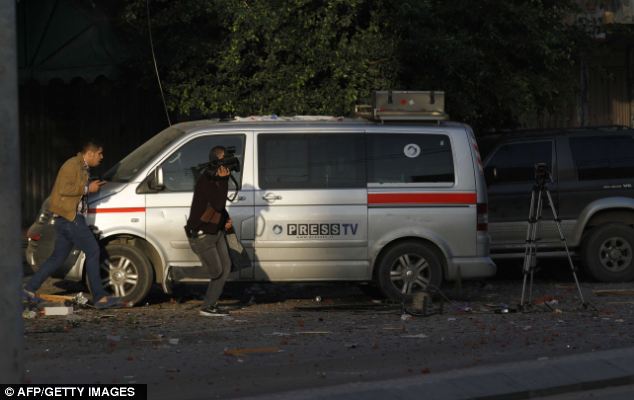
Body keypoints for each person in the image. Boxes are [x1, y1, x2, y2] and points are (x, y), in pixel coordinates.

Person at [23, 141, 121, 309]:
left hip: (65, 219)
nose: (101, 157)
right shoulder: (72, 165)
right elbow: (64, 189)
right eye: (99, 153)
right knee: (93, 251)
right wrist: (87, 188)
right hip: (70, 218)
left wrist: (92, 185)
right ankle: (99, 297)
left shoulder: (81, 167)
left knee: (57, 258)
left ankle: (29, 289)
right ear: (90, 154)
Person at [186, 146, 233, 317]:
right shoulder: (206, 180)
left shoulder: (215, 178)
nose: (226, 163)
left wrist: (226, 218)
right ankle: (176, 273)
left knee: (226, 268)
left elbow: (218, 207)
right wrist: (224, 180)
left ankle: (209, 305)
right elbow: (218, 203)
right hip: (202, 234)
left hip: (216, 230)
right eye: (223, 159)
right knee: (216, 271)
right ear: (215, 161)